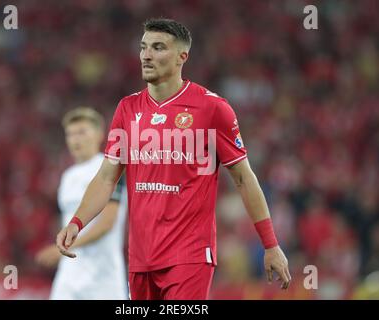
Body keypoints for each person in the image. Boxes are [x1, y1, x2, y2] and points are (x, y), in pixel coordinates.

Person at [56, 18, 291, 300]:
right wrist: (76, 222)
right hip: (141, 257)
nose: (146, 55)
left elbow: (244, 178)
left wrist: (270, 244)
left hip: (189, 254)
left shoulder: (212, 108)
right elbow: (107, 177)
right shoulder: (127, 109)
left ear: (182, 56)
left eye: (158, 48)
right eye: (143, 47)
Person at [36, 107, 128, 300]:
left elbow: (107, 223)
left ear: (99, 135)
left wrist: (65, 246)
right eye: (70, 134)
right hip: (69, 277)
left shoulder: (110, 169)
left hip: (103, 279)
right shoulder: (67, 177)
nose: (75, 139)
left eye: (82, 132)